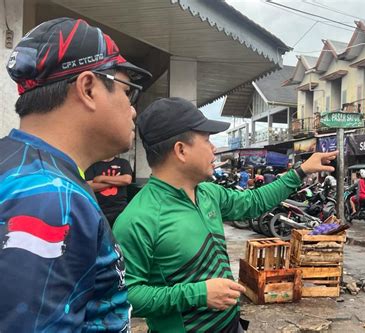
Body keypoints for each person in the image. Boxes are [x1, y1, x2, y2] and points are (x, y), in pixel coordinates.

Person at [112, 97, 338, 333]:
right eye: (207, 140)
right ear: (181, 150)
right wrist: (199, 294)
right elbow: (126, 295)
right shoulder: (138, 218)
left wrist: (301, 172)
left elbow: (254, 202)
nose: (214, 148)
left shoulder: (209, 193)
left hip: (231, 324)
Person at [0, 18, 151, 332]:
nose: (133, 109)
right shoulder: (50, 195)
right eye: (127, 92)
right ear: (88, 88)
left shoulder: (19, 165)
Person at [86, 156, 133, 227]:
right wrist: (116, 181)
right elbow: (89, 187)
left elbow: (127, 180)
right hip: (99, 210)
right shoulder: (92, 165)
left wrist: (101, 178)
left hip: (120, 209)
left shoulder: (123, 163)